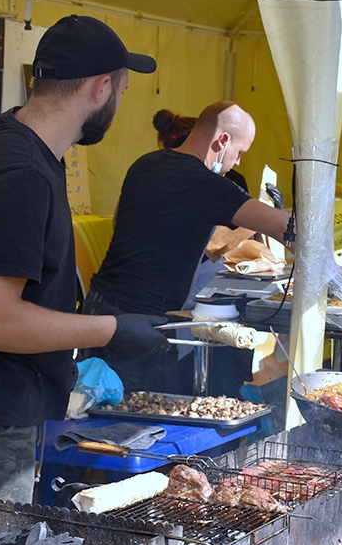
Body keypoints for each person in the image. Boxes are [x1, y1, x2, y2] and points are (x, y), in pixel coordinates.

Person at [0, 15, 171, 513]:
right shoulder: (22, 174)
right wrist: (107, 330)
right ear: (100, 87)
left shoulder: (7, 137)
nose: (119, 103)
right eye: (123, 92)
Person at [82, 101, 293, 395]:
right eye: (240, 152)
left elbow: (119, 222)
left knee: (87, 411)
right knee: (132, 425)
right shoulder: (207, 185)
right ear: (222, 141)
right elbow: (286, 228)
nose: (239, 162)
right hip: (139, 325)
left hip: (99, 308)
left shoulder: (145, 164)